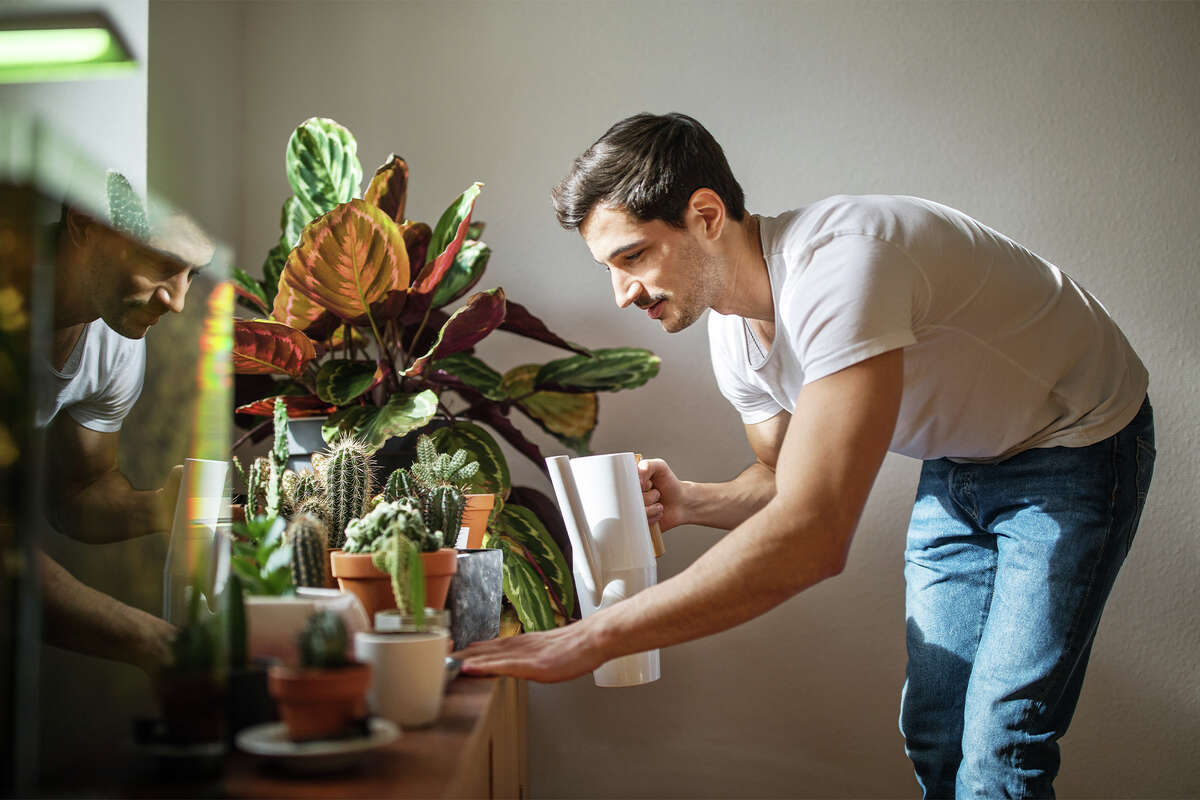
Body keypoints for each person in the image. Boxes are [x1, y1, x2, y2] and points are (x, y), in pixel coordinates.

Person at [454, 112, 1156, 797]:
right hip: (961, 461)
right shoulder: (732, 332)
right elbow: (783, 481)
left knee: (1003, 748)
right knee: (938, 734)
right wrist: (692, 501)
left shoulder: (842, 265)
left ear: (705, 214)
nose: (622, 292)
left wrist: (591, 638)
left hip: (1076, 440)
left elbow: (815, 534)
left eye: (634, 256)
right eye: (609, 266)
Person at [37, 205, 210, 676]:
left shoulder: (116, 342)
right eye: (161, 262)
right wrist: (158, 644)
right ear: (82, 222)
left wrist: (161, 507)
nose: (177, 301)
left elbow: (79, 491)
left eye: (192, 274)